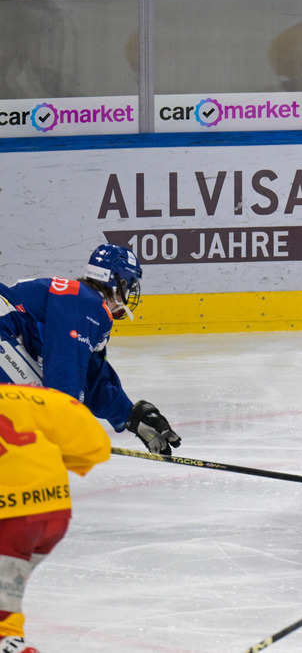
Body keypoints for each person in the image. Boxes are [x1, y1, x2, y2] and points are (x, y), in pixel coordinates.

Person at [0, 244, 181, 455]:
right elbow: (65, 364)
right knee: (37, 410)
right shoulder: (87, 304)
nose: (130, 293)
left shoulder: (81, 304)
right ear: (119, 283)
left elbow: (91, 376)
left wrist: (130, 415)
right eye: (129, 285)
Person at [0, 385, 111, 653]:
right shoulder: (41, 397)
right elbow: (95, 448)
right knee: (7, 596)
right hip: (52, 515)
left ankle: (10, 643)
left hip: (8, 520)